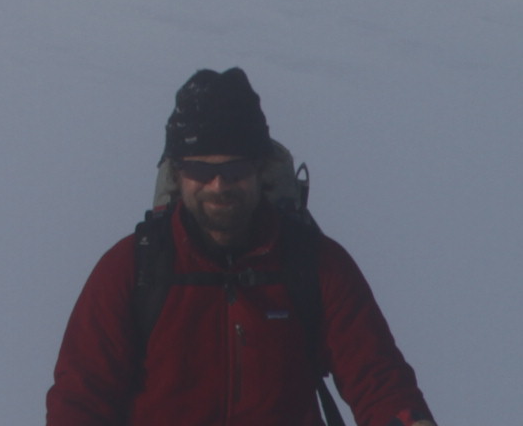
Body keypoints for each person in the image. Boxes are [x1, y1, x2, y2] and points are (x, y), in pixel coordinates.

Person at [47, 68, 435, 426]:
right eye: (202, 170)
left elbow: (378, 378)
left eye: (234, 170)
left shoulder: (314, 264)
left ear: (260, 170)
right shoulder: (132, 270)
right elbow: (80, 398)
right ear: (178, 174)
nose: (218, 186)